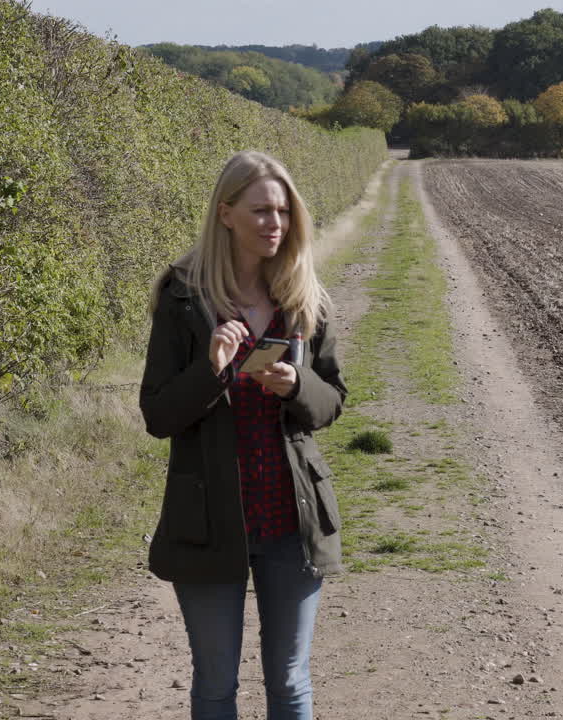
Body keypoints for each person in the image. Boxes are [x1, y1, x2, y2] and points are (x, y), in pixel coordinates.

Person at [139, 150, 346, 720]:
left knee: (289, 680)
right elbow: (158, 415)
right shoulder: (183, 297)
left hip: (291, 517)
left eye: (281, 211)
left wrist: (296, 386)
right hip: (209, 519)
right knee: (214, 684)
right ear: (225, 214)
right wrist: (211, 368)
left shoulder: (304, 298)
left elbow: (332, 404)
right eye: (259, 211)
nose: (274, 224)